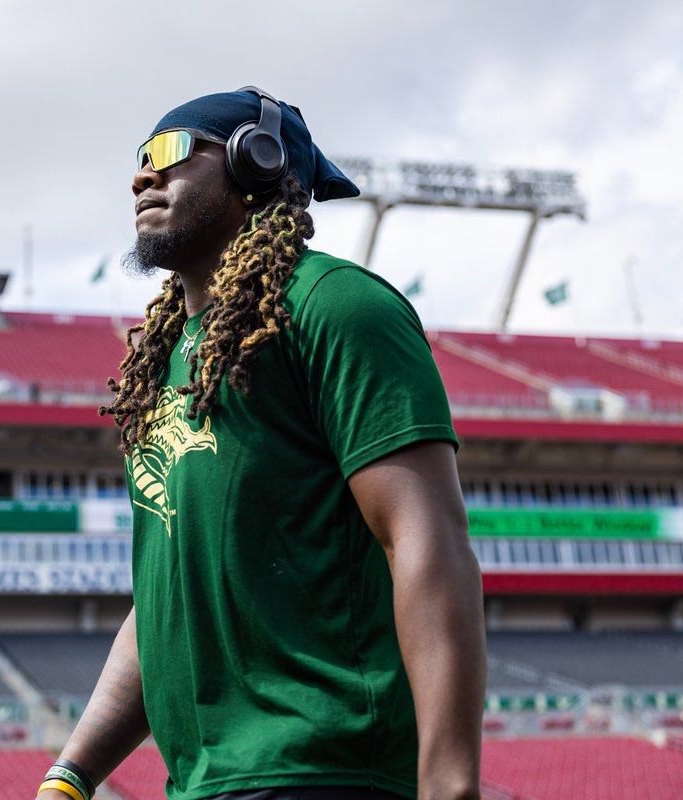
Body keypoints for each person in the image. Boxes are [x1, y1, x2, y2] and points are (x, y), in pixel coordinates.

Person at [35, 88, 485, 800]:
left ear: (258, 161)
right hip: (203, 787)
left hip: (326, 775)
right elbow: (167, 599)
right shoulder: (166, 362)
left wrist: (450, 782)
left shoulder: (337, 305)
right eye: (137, 161)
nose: (141, 177)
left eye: (169, 153)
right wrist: (71, 775)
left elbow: (424, 538)